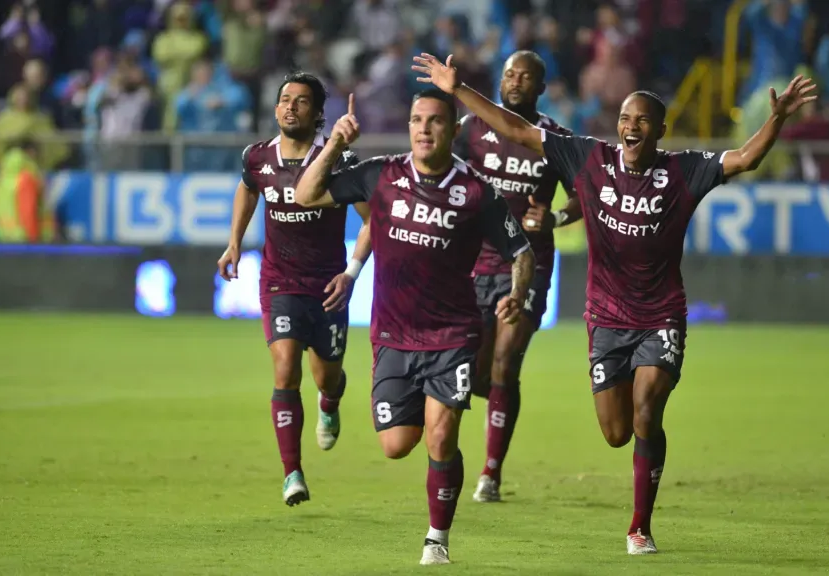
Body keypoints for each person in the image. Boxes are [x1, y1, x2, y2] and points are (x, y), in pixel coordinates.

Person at [412, 53, 816, 555]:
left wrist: (775, 119)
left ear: (661, 130)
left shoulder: (684, 172)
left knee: (648, 411)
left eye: (642, 120)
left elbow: (744, 158)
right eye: (625, 118)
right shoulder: (588, 158)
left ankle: (640, 526)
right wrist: (458, 89)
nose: (631, 126)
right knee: (615, 432)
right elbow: (516, 129)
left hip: (660, 315)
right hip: (605, 318)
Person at [294, 89, 535, 565]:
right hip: (393, 335)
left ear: (451, 130)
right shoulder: (382, 175)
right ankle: (429, 440)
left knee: (442, 435)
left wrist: (517, 292)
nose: (424, 128)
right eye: (416, 120)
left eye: (435, 121)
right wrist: (335, 145)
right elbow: (306, 194)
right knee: (396, 446)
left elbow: (521, 251)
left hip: (453, 335)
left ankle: (437, 539)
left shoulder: (476, 192)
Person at [217, 72, 371, 507]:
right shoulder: (257, 157)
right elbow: (248, 191)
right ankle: (292, 474)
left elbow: (372, 218)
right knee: (285, 369)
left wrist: (352, 272)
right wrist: (234, 242)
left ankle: (330, 401)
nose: (290, 107)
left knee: (329, 376)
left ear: (319, 113)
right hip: (279, 281)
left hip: (327, 287)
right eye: (284, 99)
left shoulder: (338, 161)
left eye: (301, 102)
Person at [451, 50, 581, 503]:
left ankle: (490, 473)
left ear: (541, 87)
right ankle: (498, 407)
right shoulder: (469, 132)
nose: (516, 81)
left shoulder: (554, 138)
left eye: (526, 76)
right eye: (509, 74)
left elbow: (586, 193)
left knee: (507, 362)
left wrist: (557, 219)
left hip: (529, 263)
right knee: (474, 375)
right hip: (474, 263)